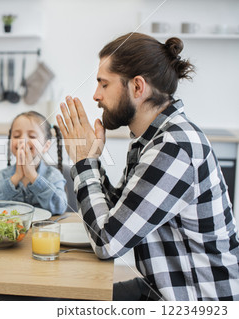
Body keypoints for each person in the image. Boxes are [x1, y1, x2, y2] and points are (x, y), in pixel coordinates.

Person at [57, 32, 239, 301]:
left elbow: (107, 242)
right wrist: (91, 161)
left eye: (104, 84)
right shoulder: (149, 138)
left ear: (137, 87)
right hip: (162, 287)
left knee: (62, 302)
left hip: (194, 300)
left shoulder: (173, 148)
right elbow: (120, 213)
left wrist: (84, 163)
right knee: (63, 297)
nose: (96, 95)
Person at [0, 111, 67, 215]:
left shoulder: (53, 175)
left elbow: (59, 207)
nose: (22, 140)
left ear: (46, 146)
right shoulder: (2, 176)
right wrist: (16, 177)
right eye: (16, 136)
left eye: (32, 136)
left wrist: (33, 176)